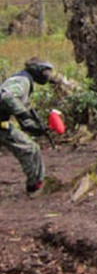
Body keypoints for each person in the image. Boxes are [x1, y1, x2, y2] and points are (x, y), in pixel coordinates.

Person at [0, 58, 57, 194]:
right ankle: (35, 186)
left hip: (2, 124)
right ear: (36, 70)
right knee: (29, 149)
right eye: (45, 72)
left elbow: (21, 114)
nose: (47, 76)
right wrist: (23, 113)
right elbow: (6, 97)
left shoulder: (24, 81)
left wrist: (35, 128)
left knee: (30, 148)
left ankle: (35, 185)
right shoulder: (22, 80)